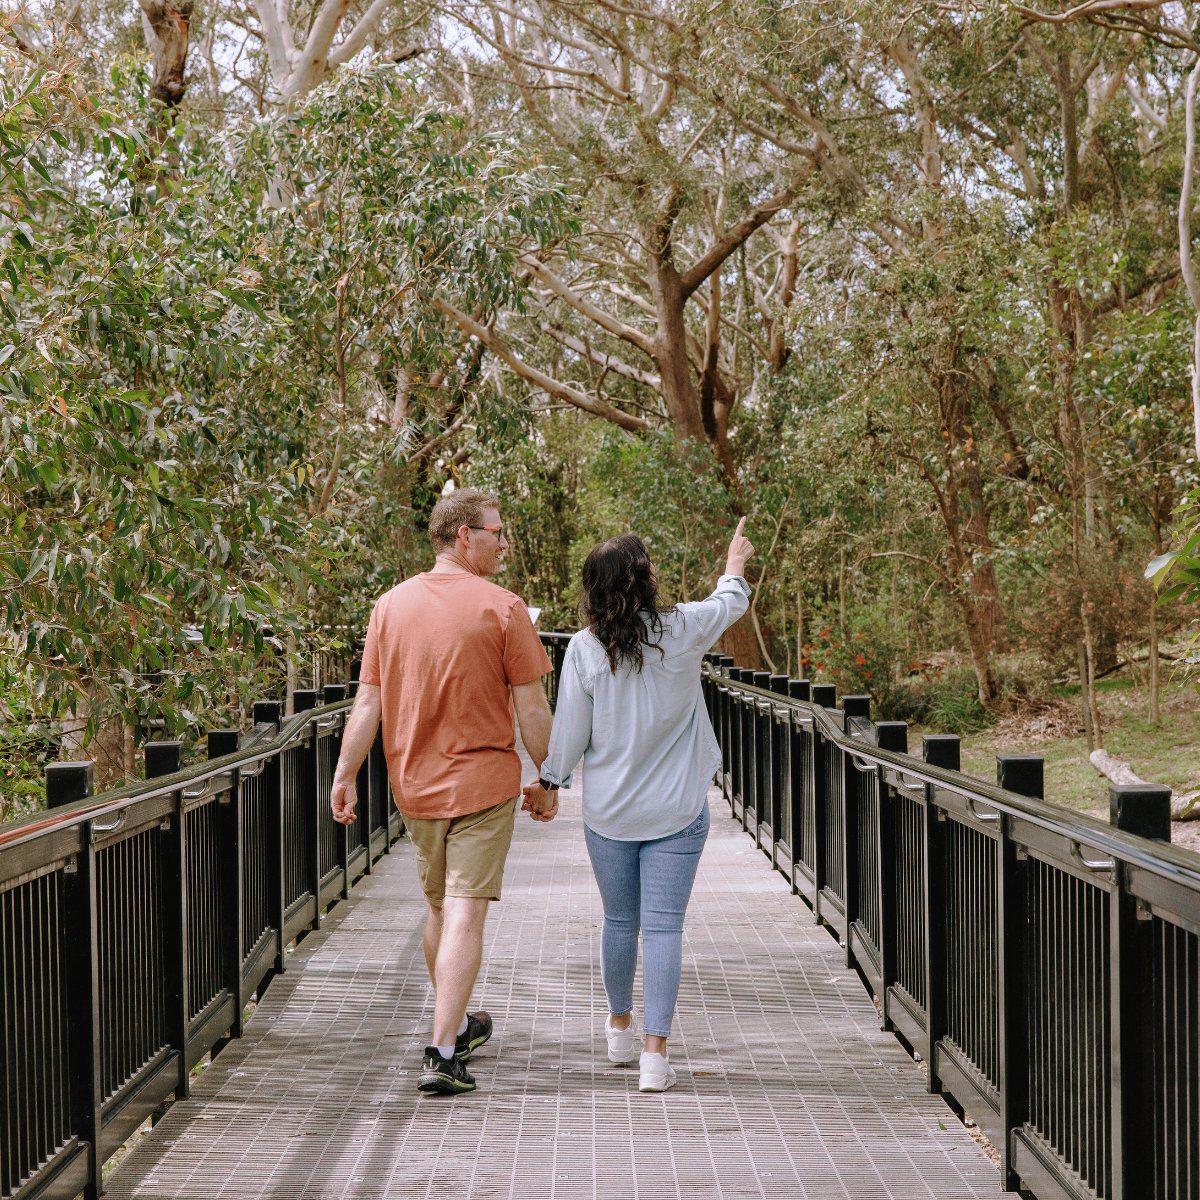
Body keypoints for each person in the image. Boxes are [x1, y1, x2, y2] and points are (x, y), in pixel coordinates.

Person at [329, 487, 558, 1096]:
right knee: (464, 909)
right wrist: (550, 774)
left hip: (414, 785)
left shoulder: (390, 607)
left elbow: (369, 700)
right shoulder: (504, 608)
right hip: (483, 783)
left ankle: (455, 1025)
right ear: (465, 536)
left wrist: (345, 772)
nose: (503, 541)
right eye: (496, 531)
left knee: (439, 907)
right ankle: (442, 1048)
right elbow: (531, 706)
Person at [526, 518, 754, 1092]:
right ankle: (655, 1056)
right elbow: (727, 604)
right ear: (644, 578)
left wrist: (550, 781)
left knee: (620, 921)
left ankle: (620, 1029)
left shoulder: (583, 647)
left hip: (610, 814)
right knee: (664, 928)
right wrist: (734, 566)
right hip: (677, 810)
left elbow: (572, 729)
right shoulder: (679, 630)